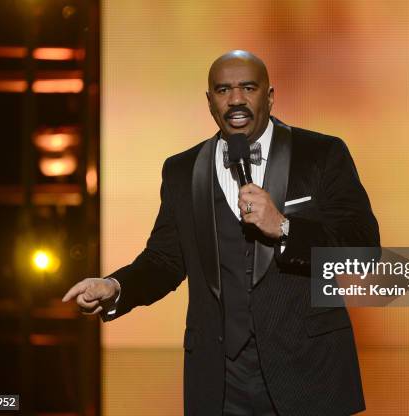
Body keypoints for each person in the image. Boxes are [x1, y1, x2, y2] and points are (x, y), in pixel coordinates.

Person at [63, 50, 379, 416]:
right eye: (223, 89)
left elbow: (363, 249)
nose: (236, 99)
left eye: (248, 87)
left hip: (308, 373)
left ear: (270, 95)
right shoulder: (182, 170)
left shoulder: (321, 153)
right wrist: (117, 286)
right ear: (210, 101)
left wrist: (284, 227)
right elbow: (165, 259)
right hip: (220, 381)